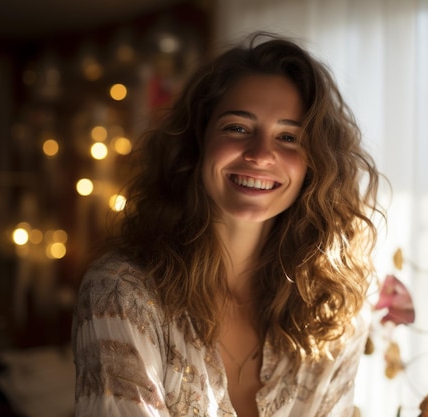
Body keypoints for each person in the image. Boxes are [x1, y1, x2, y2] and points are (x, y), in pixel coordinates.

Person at [71, 32, 382, 417]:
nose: (260, 154)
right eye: (237, 127)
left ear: (315, 164)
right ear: (197, 142)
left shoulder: (334, 313)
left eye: (288, 137)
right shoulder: (123, 293)